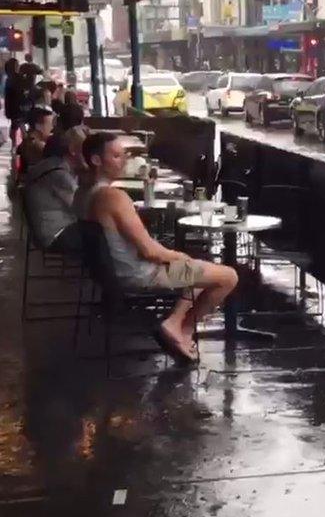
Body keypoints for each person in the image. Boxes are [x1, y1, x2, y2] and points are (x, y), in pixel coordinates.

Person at [79, 132, 238, 363]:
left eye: (124, 155)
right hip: (141, 274)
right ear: (96, 160)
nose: (123, 160)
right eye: (115, 156)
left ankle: (177, 325)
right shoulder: (114, 197)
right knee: (228, 276)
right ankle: (180, 328)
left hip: (111, 273)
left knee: (195, 267)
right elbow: (149, 251)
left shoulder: (84, 194)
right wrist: (177, 255)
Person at [22, 126, 89, 252]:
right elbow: (83, 210)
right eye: (87, 150)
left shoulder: (53, 164)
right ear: (73, 150)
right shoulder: (59, 175)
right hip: (54, 234)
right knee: (104, 234)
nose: (91, 156)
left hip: (47, 230)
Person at [16, 107, 55, 175]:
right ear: (39, 125)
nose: (52, 128)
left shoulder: (28, 140)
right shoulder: (37, 146)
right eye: (49, 125)